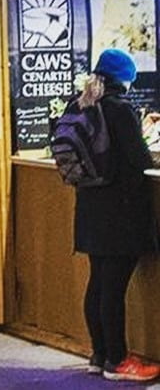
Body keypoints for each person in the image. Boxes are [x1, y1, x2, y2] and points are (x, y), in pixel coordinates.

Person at [72, 48, 160, 382]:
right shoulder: (120, 110)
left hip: (89, 209)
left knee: (98, 284)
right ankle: (119, 361)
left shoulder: (79, 105)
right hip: (121, 211)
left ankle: (99, 354)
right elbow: (139, 160)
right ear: (124, 78)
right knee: (113, 287)